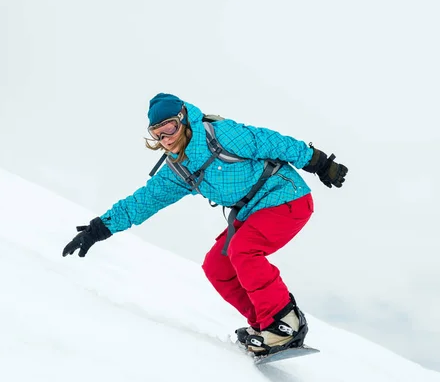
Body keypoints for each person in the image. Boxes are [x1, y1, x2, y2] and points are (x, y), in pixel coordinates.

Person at [62, 93, 348, 356]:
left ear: (184, 118)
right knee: (217, 266)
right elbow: (144, 201)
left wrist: (319, 162)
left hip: (286, 198)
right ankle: (266, 326)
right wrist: (99, 228)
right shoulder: (178, 169)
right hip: (252, 211)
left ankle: (284, 325)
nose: (166, 138)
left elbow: (271, 142)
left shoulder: (220, 136)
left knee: (243, 250)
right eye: (157, 134)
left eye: (170, 127)